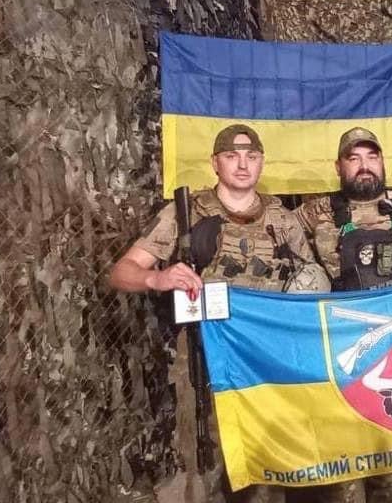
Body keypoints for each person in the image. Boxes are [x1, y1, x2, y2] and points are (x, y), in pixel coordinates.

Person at [109, 124, 320, 503]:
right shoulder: (186, 213)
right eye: (231, 156)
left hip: (267, 360)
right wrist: (157, 278)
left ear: (262, 162)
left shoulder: (282, 218)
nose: (242, 165)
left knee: (273, 465)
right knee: (214, 466)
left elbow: (310, 283)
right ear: (215, 163)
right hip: (207, 359)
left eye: (251, 156)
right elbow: (121, 272)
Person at [295, 126, 392, 503]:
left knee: (388, 470)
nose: (364, 165)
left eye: (371, 156)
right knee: (341, 469)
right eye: (354, 158)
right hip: (341, 353)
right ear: (339, 166)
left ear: (382, 162)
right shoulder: (314, 213)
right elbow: (266, 238)